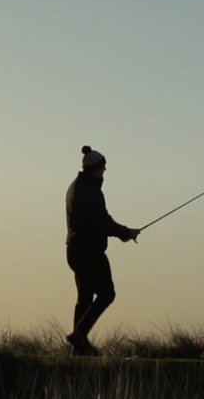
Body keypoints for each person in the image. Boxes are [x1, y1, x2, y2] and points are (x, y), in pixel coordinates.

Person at [65, 145, 139, 356]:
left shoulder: (75, 187)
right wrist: (125, 233)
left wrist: (124, 233)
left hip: (75, 250)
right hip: (89, 252)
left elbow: (100, 221)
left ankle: (78, 349)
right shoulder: (90, 191)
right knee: (107, 294)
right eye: (103, 167)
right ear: (95, 169)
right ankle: (79, 336)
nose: (105, 170)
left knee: (85, 298)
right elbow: (102, 222)